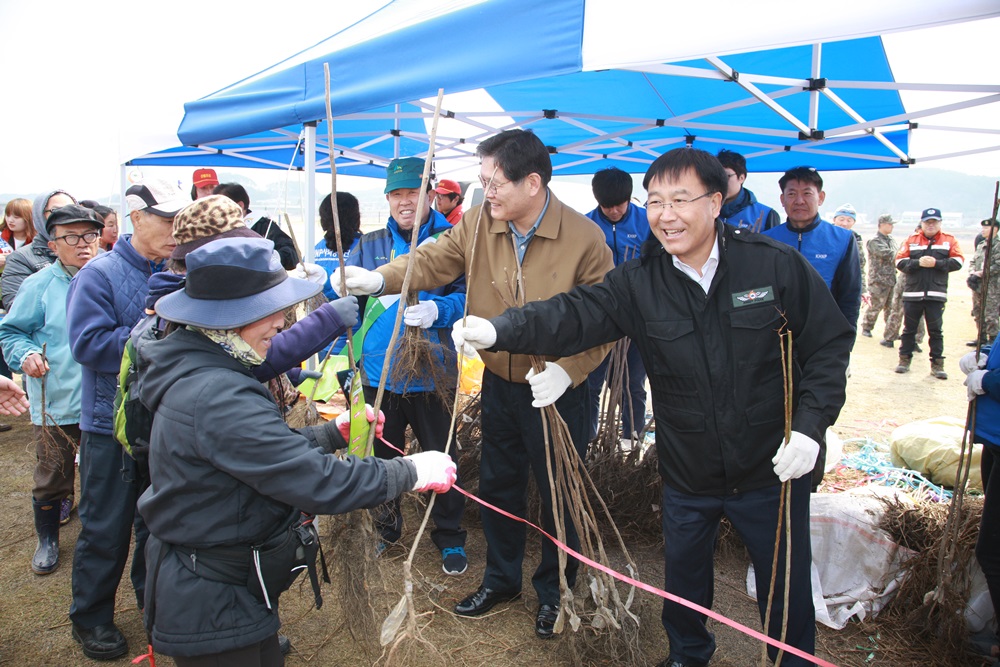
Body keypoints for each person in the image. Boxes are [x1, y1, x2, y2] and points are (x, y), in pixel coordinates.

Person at [452, 147, 854, 667]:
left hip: (769, 465)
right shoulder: (641, 281)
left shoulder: (771, 264)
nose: (666, 214)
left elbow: (828, 344)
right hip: (687, 467)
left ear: (715, 202)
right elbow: (574, 314)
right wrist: (501, 329)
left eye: (680, 199)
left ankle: (793, 660)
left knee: (785, 583)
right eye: (656, 201)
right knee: (684, 581)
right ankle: (687, 654)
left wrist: (809, 428)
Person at [333, 129, 613, 639]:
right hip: (502, 383)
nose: (486, 191)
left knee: (557, 496)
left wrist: (567, 370)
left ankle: (556, 592)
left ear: (532, 183)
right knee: (501, 487)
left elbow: (605, 320)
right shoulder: (482, 223)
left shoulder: (584, 240)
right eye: (481, 180)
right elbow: (435, 258)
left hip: (556, 390)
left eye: (493, 181)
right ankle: (501, 579)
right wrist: (382, 278)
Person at [136, 236, 456, 667]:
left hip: (223, 582)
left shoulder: (207, 365)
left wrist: (332, 436)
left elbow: (254, 456)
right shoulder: (217, 393)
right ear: (231, 318)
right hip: (211, 597)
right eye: (272, 310)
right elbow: (314, 481)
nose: (283, 322)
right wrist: (409, 472)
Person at [65, 177, 189, 660]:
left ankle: (153, 608)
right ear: (137, 219)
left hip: (161, 423)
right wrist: (154, 330)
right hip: (108, 427)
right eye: (167, 219)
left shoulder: (177, 269)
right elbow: (88, 345)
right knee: (105, 528)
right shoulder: (98, 276)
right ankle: (90, 617)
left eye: (182, 219)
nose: (177, 230)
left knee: (156, 526)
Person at [344, 157, 468, 573]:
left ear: (430, 193)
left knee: (443, 455)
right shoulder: (370, 244)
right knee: (383, 460)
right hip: (379, 375)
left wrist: (440, 309)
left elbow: (471, 296)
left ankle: (449, 534)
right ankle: (386, 528)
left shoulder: (452, 240)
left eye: (412, 192)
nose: (404, 202)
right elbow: (351, 303)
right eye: (396, 194)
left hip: (433, 373)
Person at [0, 205, 103, 574]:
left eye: (90, 235)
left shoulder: (109, 275)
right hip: (56, 400)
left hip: (105, 400)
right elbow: (11, 330)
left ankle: (100, 536)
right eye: (71, 237)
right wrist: (25, 353)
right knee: (52, 474)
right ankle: (47, 539)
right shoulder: (39, 284)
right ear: (52, 243)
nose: (83, 244)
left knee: (103, 474)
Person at [584, 167, 649, 442]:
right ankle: (586, 439)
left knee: (632, 383)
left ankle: (631, 439)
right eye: (606, 206)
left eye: (619, 204)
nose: (613, 211)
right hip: (599, 319)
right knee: (590, 384)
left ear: (630, 197)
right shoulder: (585, 226)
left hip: (638, 318)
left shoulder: (648, 222)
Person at [762, 166, 861, 329]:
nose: (799, 201)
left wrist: (845, 341)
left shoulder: (842, 240)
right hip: (776, 337)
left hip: (824, 334)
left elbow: (850, 296)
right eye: (792, 194)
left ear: (820, 198)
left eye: (807, 193)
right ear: (782, 199)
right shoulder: (767, 240)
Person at [894, 207, 964, 379]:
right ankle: (904, 361)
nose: (931, 225)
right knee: (908, 330)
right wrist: (918, 263)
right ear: (922, 223)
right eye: (927, 222)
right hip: (913, 293)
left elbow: (959, 261)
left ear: (940, 223)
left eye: (934, 222)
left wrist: (937, 263)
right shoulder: (912, 240)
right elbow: (899, 261)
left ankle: (937, 365)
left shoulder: (949, 240)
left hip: (936, 293)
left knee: (936, 331)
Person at [1, 190, 76, 310]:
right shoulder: (20, 258)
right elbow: (18, 309)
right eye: (56, 211)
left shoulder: (96, 254)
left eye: (72, 209)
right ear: (39, 215)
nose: (66, 215)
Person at [213, 183, 300, 269]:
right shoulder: (213, 228)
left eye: (220, 207)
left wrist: (270, 257)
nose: (216, 211)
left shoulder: (263, 225)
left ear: (239, 205)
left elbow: (292, 255)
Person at [881, 223, 926, 351]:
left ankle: (914, 341)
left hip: (919, 282)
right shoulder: (909, 242)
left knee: (917, 312)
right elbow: (900, 261)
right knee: (897, 309)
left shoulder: (932, 244)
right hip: (907, 279)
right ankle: (890, 337)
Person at [716, 149, 780, 231]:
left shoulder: (766, 215)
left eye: (726, 176)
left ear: (741, 178)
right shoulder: (705, 210)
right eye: (717, 176)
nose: (721, 181)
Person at [315, 191, 363, 302]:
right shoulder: (367, 247)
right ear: (356, 217)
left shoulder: (315, 250)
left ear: (323, 218)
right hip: (356, 316)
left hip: (320, 316)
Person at [862, 214, 899, 338]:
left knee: (891, 307)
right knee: (876, 305)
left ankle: (890, 331)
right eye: (889, 224)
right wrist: (903, 254)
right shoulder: (874, 241)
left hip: (891, 279)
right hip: (878, 280)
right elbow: (887, 254)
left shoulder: (891, 240)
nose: (892, 227)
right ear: (882, 225)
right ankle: (867, 327)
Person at [969, 218, 1000, 346]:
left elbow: (998, 265)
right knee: (978, 311)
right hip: (977, 285)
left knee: (990, 313)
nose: (983, 230)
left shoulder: (998, 246)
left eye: (986, 228)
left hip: (992, 286)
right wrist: (972, 272)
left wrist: (982, 273)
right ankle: (981, 337)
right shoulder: (982, 244)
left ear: (995, 229)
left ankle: (992, 340)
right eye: (982, 228)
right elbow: (973, 261)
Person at [831, 203, 867, 299]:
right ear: (834, 220)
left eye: (849, 220)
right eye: (841, 219)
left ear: (853, 222)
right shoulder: (824, 235)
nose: (844, 223)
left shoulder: (856, 239)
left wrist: (863, 290)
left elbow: (860, 266)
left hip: (846, 285)